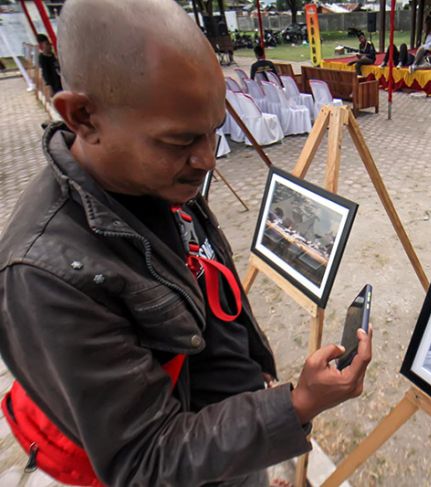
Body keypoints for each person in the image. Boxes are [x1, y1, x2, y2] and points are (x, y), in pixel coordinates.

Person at [0, 1, 372, 486]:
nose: (208, 160)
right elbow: (145, 459)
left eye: (214, 132)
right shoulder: (46, 276)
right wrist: (297, 404)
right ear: (83, 116)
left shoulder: (154, 177)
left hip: (231, 433)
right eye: (181, 141)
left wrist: (256, 386)